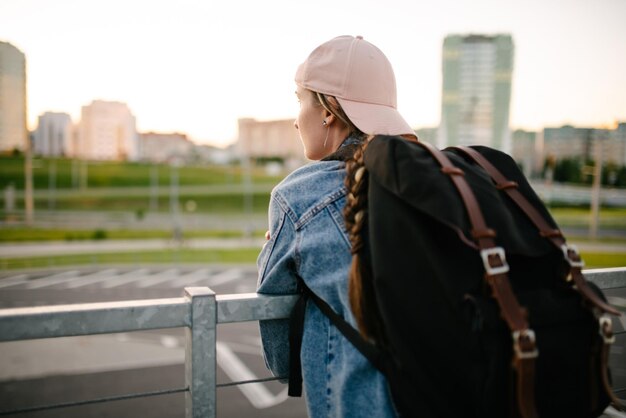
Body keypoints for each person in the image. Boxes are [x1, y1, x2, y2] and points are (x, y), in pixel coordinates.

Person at [256, 35, 416, 418]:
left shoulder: (300, 195)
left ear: (328, 110)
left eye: (300, 100)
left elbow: (281, 360)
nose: (297, 120)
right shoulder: (424, 177)